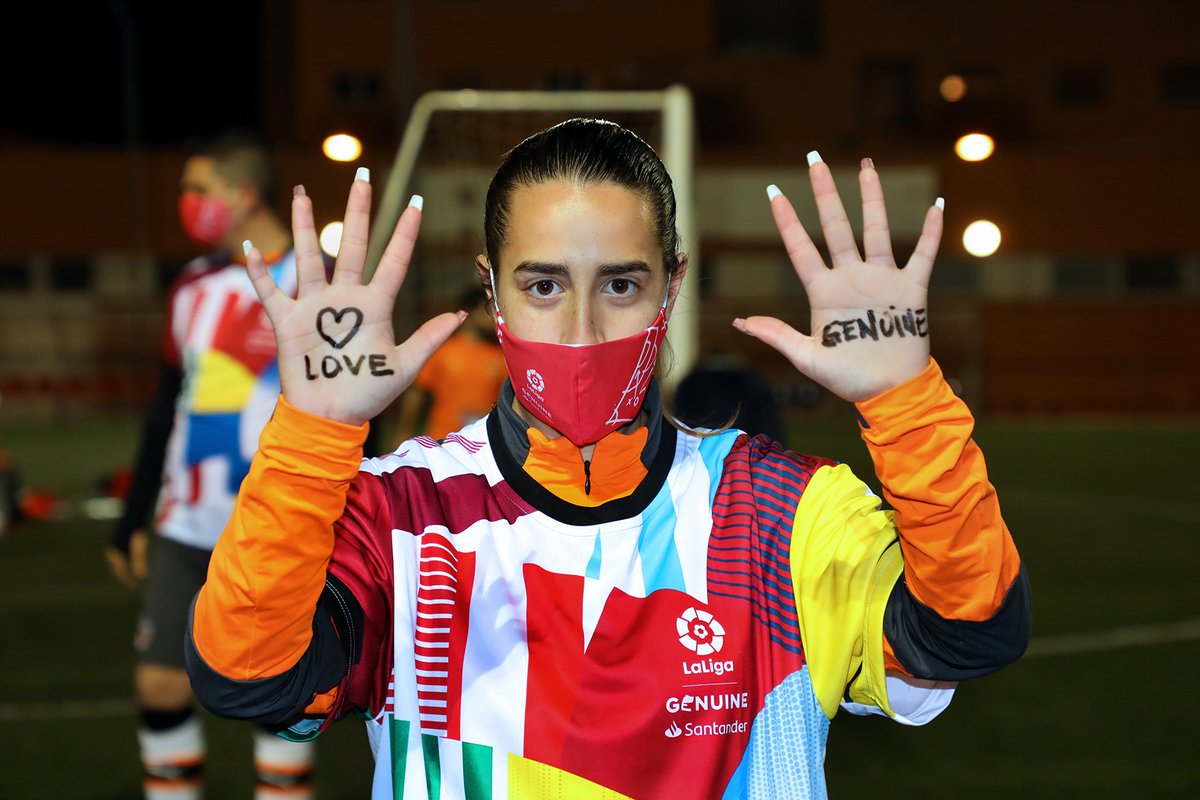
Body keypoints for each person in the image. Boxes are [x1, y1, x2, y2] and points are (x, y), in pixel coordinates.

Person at [185, 120, 1031, 798]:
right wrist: (312, 433)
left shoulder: (785, 513)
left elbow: (970, 633)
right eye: (543, 286)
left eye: (621, 285)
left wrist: (907, 401)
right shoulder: (397, 514)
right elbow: (246, 677)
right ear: (492, 289)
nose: (583, 334)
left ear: (673, 284)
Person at [105, 131, 319, 800]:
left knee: (279, 694)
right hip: (185, 524)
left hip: (276, 526)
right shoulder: (193, 284)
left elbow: (350, 411)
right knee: (160, 683)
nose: (187, 202)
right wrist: (131, 517)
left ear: (243, 193)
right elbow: (168, 404)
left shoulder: (316, 280)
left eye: (198, 188)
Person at [392, 286, 507, 442]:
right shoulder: (443, 351)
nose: (493, 317)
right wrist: (404, 431)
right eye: (487, 311)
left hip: (481, 443)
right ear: (470, 312)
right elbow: (417, 393)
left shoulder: (499, 357)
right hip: (441, 441)